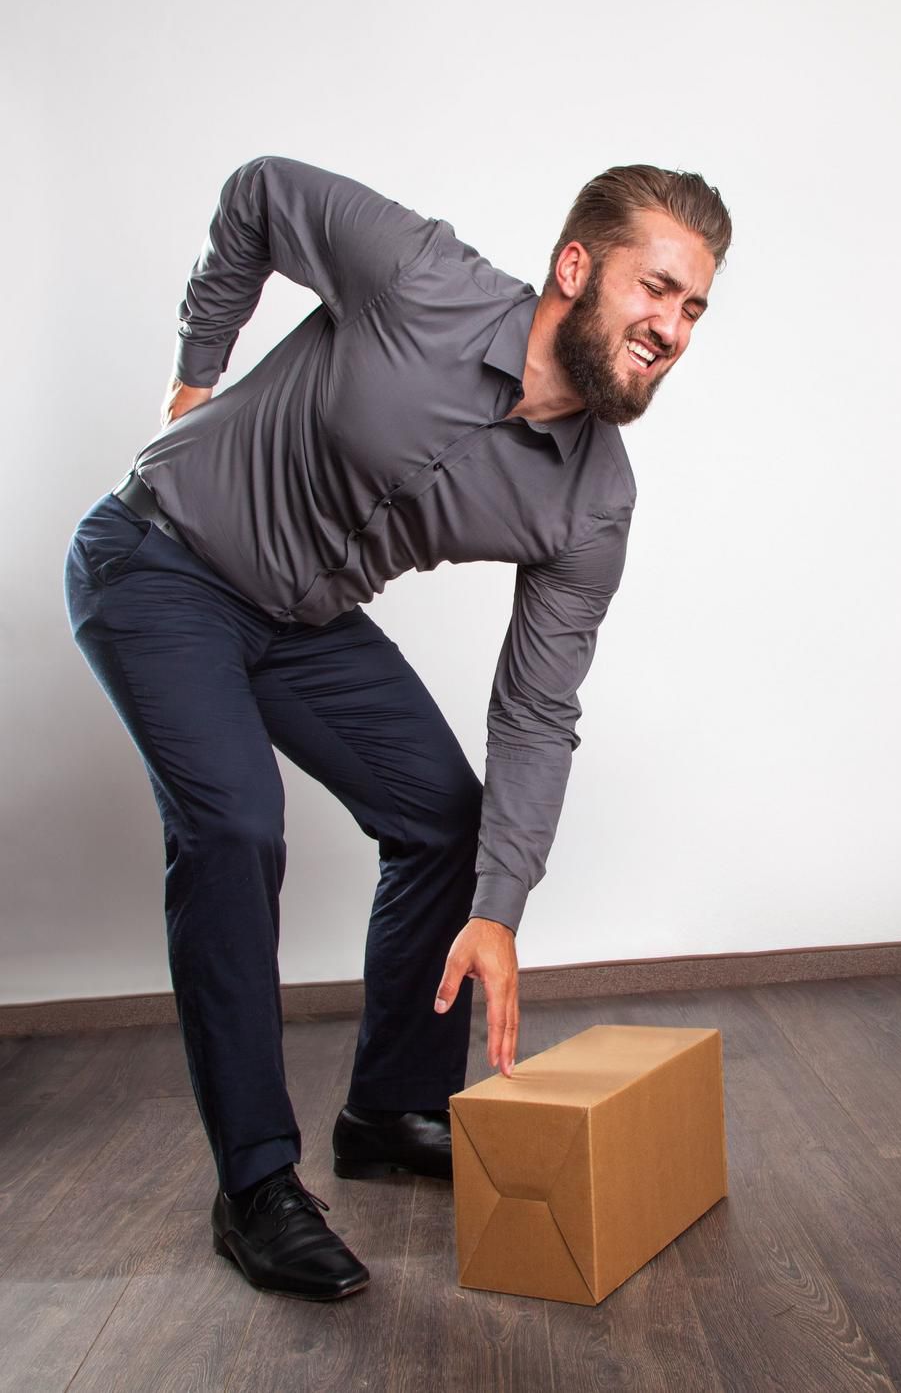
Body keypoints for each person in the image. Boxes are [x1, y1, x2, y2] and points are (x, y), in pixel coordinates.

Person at [64, 155, 731, 1301]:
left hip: (298, 618)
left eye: (692, 309)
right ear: (576, 267)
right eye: (654, 288)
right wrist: (197, 371)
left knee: (443, 817)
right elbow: (262, 192)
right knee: (234, 825)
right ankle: (257, 1185)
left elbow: (535, 706)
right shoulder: (422, 276)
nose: (670, 327)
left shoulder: (593, 498)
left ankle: (389, 1107)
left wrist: (498, 909)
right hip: (160, 559)